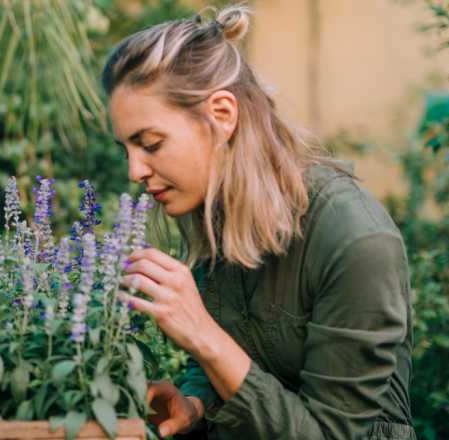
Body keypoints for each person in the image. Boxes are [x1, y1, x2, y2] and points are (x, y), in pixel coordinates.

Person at [102, 4, 415, 440]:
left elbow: (330, 434)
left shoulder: (355, 239)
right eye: (127, 150)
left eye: (151, 144)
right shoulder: (214, 212)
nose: (134, 171)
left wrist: (202, 333)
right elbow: (230, 360)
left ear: (222, 115)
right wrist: (195, 405)